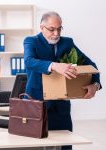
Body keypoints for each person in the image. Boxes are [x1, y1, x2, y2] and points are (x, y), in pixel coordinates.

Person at [23, 11, 101, 150]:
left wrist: (95, 84)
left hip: (61, 108)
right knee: (35, 146)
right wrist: (54, 65)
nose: (56, 33)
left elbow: (90, 65)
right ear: (42, 27)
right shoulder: (31, 41)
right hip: (36, 105)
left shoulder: (67, 43)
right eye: (52, 29)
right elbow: (29, 62)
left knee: (65, 146)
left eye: (59, 28)